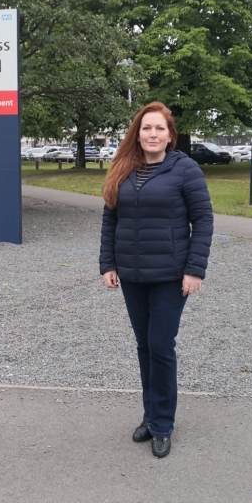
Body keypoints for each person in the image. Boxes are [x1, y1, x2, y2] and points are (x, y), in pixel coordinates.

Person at [99, 101, 213, 458]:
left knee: (161, 347)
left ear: (169, 135)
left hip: (169, 275)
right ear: (138, 133)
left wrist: (195, 270)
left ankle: (163, 423)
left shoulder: (185, 170)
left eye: (159, 129)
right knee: (145, 346)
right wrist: (108, 263)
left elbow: (204, 221)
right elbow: (110, 220)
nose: (152, 134)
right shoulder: (123, 169)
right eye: (146, 128)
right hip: (132, 275)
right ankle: (150, 415)